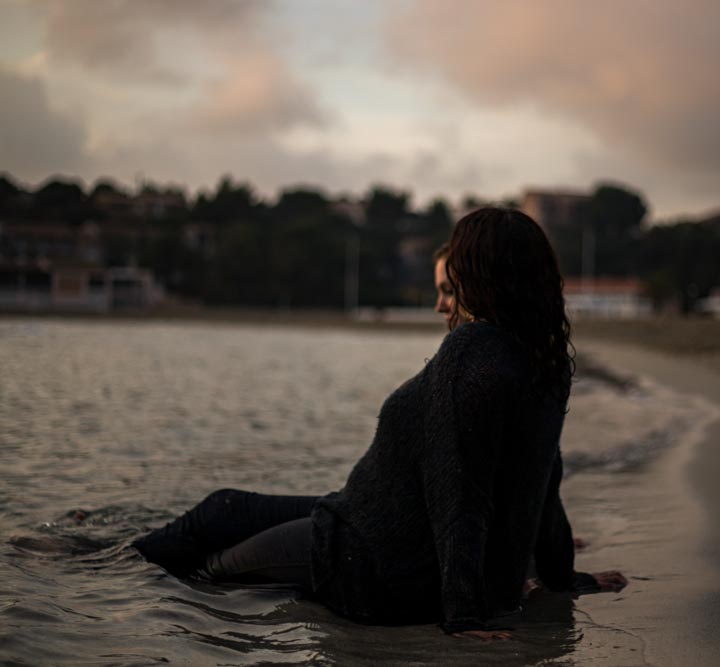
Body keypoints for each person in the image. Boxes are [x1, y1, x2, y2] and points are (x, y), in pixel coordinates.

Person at [133, 207, 627, 640]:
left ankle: (112, 577)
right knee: (224, 510)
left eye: (458, 271)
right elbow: (544, 482)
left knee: (208, 568)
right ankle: (103, 554)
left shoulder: (472, 351)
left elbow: (460, 494)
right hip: (368, 523)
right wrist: (563, 579)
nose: (449, 291)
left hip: (371, 560)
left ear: (480, 275)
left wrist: (464, 619)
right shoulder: (546, 360)